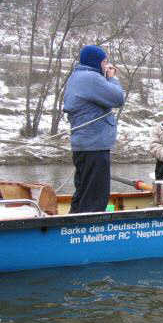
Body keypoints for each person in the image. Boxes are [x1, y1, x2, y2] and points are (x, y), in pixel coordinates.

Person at [63, 45, 124, 213]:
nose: (107, 66)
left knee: (83, 192)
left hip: (85, 144)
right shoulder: (91, 78)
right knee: (96, 195)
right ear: (95, 62)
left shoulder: (78, 76)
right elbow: (118, 98)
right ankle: (89, 231)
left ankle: (72, 226)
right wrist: (112, 78)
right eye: (104, 62)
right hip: (94, 145)